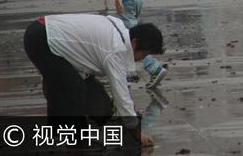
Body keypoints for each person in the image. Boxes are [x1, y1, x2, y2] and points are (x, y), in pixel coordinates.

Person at [23, 13, 162, 147]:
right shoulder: (116, 50)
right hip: (41, 39)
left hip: (47, 33)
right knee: (74, 89)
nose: (142, 59)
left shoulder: (119, 29)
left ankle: (57, 133)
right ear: (135, 42)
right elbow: (122, 97)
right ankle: (78, 142)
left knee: (92, 100)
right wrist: (138, 135)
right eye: (145, 54)